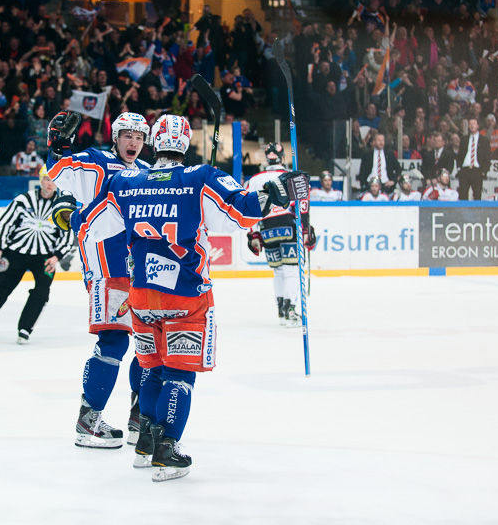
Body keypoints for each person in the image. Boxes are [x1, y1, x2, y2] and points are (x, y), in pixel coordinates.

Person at [68, 113, 293, 482]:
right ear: (185, 143)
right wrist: (277, 192)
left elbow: (89, 225)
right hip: (186, 295)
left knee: (153, 368)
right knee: (179, 374)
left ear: (153, 141)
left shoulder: (126, 179)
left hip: (140, 297)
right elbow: (242, 213)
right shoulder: (200, 177)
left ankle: (145, 448)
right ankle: (166, 449)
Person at [47, 111, 151, 449]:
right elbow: (60, 172)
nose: (133, 141)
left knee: (147, 346)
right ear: (116, 137)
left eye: (139, 136)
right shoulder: (98, 162)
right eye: (127, 135)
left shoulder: (150, 174)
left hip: (144, 273)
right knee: (114, 342)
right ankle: (88, 419)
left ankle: (140, 416)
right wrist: (57, 146)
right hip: (107, 270)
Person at [0, 166, 71, 344]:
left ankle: (25, 328)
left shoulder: (61, 206)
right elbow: (4, 223)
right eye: (46, 179)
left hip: (44, 257)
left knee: (42, 292)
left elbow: (67, 233)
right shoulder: (24, 200)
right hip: (15, 253)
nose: (50, 183)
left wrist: (56, 257)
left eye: (54, 179)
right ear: (40, 180)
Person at [244, 142, 317, 326]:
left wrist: (253, 235)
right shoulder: (291, 177)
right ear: (282, 157)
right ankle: (290, 310)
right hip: (288, 225)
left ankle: (281, 310)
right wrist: (306, 228)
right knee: (291, 269)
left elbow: (247, 208)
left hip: (267, 228)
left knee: (278, 270)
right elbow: (302, 204)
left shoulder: (253, 180)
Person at [456, 118, 491, 200]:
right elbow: (459, 155)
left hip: (477, 171)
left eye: (474, 123)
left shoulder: (484, 140)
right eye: (470, 124)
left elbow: (487, 158)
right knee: (463, 195)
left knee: (477, 195)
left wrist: (483, 172)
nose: (471, 125)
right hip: (465, 170)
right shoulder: (464, 139)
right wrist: (459, 169)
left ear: (478, 126)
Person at [358, 133, 400, 197]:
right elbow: (362, 172)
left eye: (383, 140)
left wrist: (393, 181)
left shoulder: (389, 154)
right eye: (379, 140)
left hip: (386, 186)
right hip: (371, 186)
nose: (381, 142)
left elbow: (398, 169)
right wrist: (364, 185)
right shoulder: (367, 154)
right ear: (374, 142)